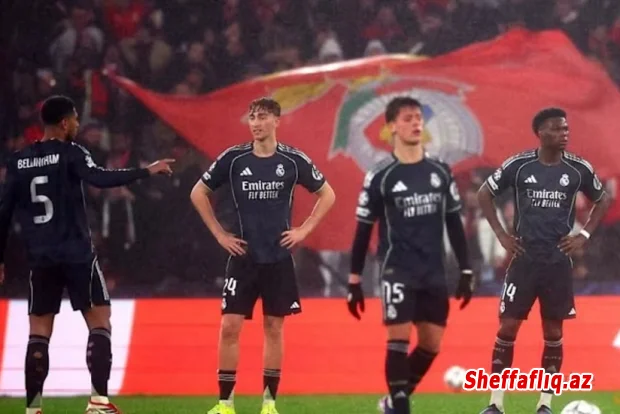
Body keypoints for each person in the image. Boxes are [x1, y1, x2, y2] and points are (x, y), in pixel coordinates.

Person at [0, 95, 175, 414]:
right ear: (64, 123)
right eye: (76, 120)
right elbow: (100, 178)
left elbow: (3, 213)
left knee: (38, 332)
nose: (78, 125)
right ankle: (98, 402)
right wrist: (146, 171)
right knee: (100, 322)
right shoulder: (72, 152)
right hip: (76, 254)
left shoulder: (18, 161)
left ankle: (33, 409)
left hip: (40, 257)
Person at [190, 97, 336, 414]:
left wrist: (304, 230)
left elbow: (327, 194)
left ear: (277, 121)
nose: (255, 123)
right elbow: (198, 192)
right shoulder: (234, 158)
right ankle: (225, 404)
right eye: (252, 117)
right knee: (230, 327)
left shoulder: (292, 160)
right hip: (243, 257)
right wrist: (220, 234)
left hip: (278, 259)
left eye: (262, 117)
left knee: (273, 328)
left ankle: (269, 404)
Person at [345, 97, 475, 414]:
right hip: (397, 270)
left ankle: (393, 401)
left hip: (433, 271)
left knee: (431, 344)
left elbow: (453, 222)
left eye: (418, 117)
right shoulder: (381, 176)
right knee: (398, 342)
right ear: (391, 127)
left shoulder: (440, 171)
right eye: (407, 118)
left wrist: (466, 270)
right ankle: (401, 406)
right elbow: (363, 228)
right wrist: (354, 279)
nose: (416, 123)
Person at [477, 108, 610, 414]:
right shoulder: (519, 165)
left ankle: (545, 405)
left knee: (553, 333)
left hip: (557, 261)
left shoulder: (577, 169)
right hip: (524, 259)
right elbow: (485, 193)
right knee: (507, 328)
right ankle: (496, 404)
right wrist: (501, 235)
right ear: (540, 133)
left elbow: (603, 199)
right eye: (557, 129)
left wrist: (584, 235)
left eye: (566, 128)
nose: (564, 133)